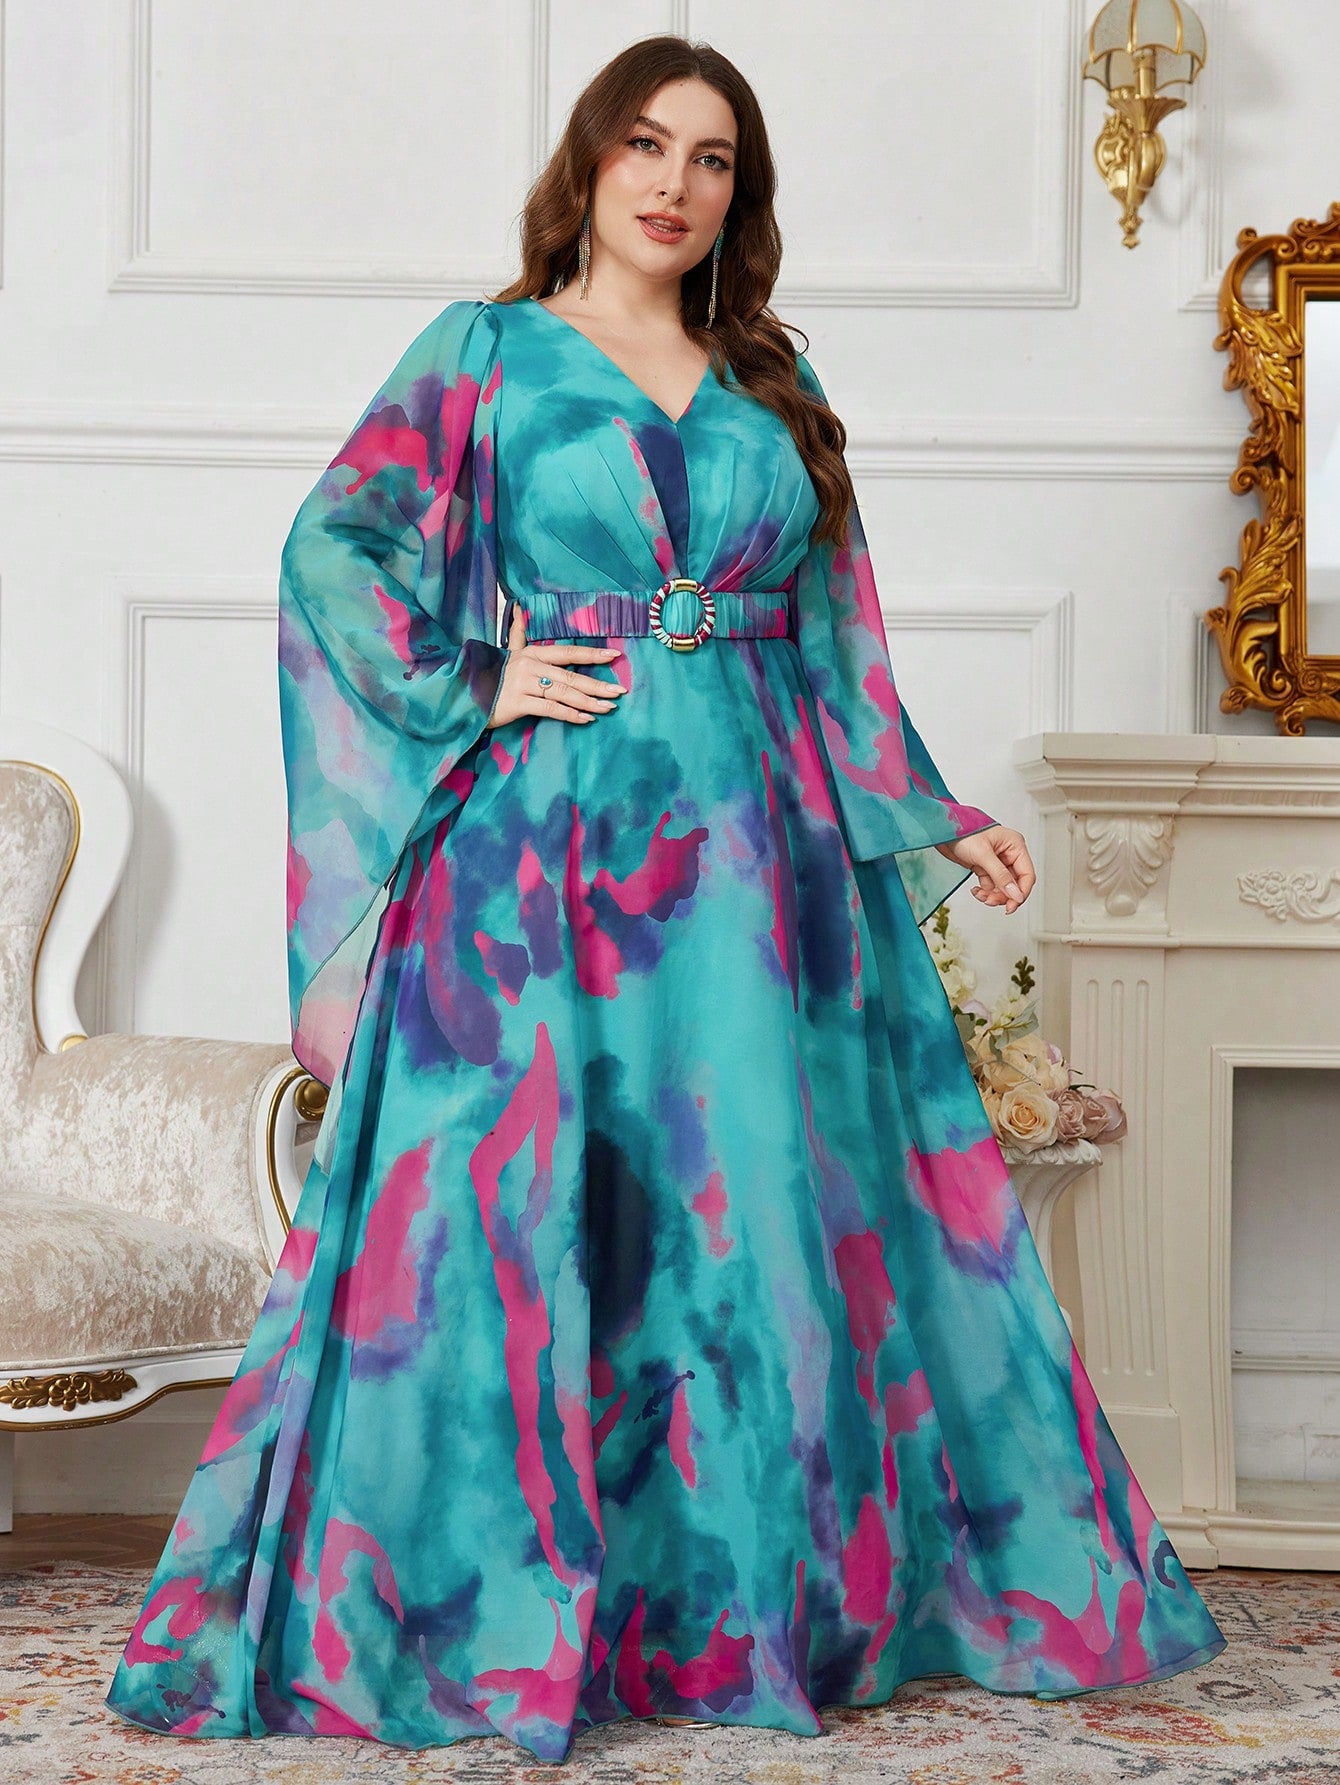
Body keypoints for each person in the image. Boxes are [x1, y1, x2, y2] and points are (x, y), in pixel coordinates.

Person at [104, 34, 1226, 1766]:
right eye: (647, 143)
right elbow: (334, 547)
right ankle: (478, 1612)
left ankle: (729, 1614)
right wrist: (477, 677)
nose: (675, 184)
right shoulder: (484, 353)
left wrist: (934, 816)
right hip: (540, 864)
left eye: (713, 160)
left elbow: (840, 642)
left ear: (737, 198)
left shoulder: (772, 379)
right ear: (590, 160)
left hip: (759, 877)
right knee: (514, 1219)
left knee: (739, 1230)